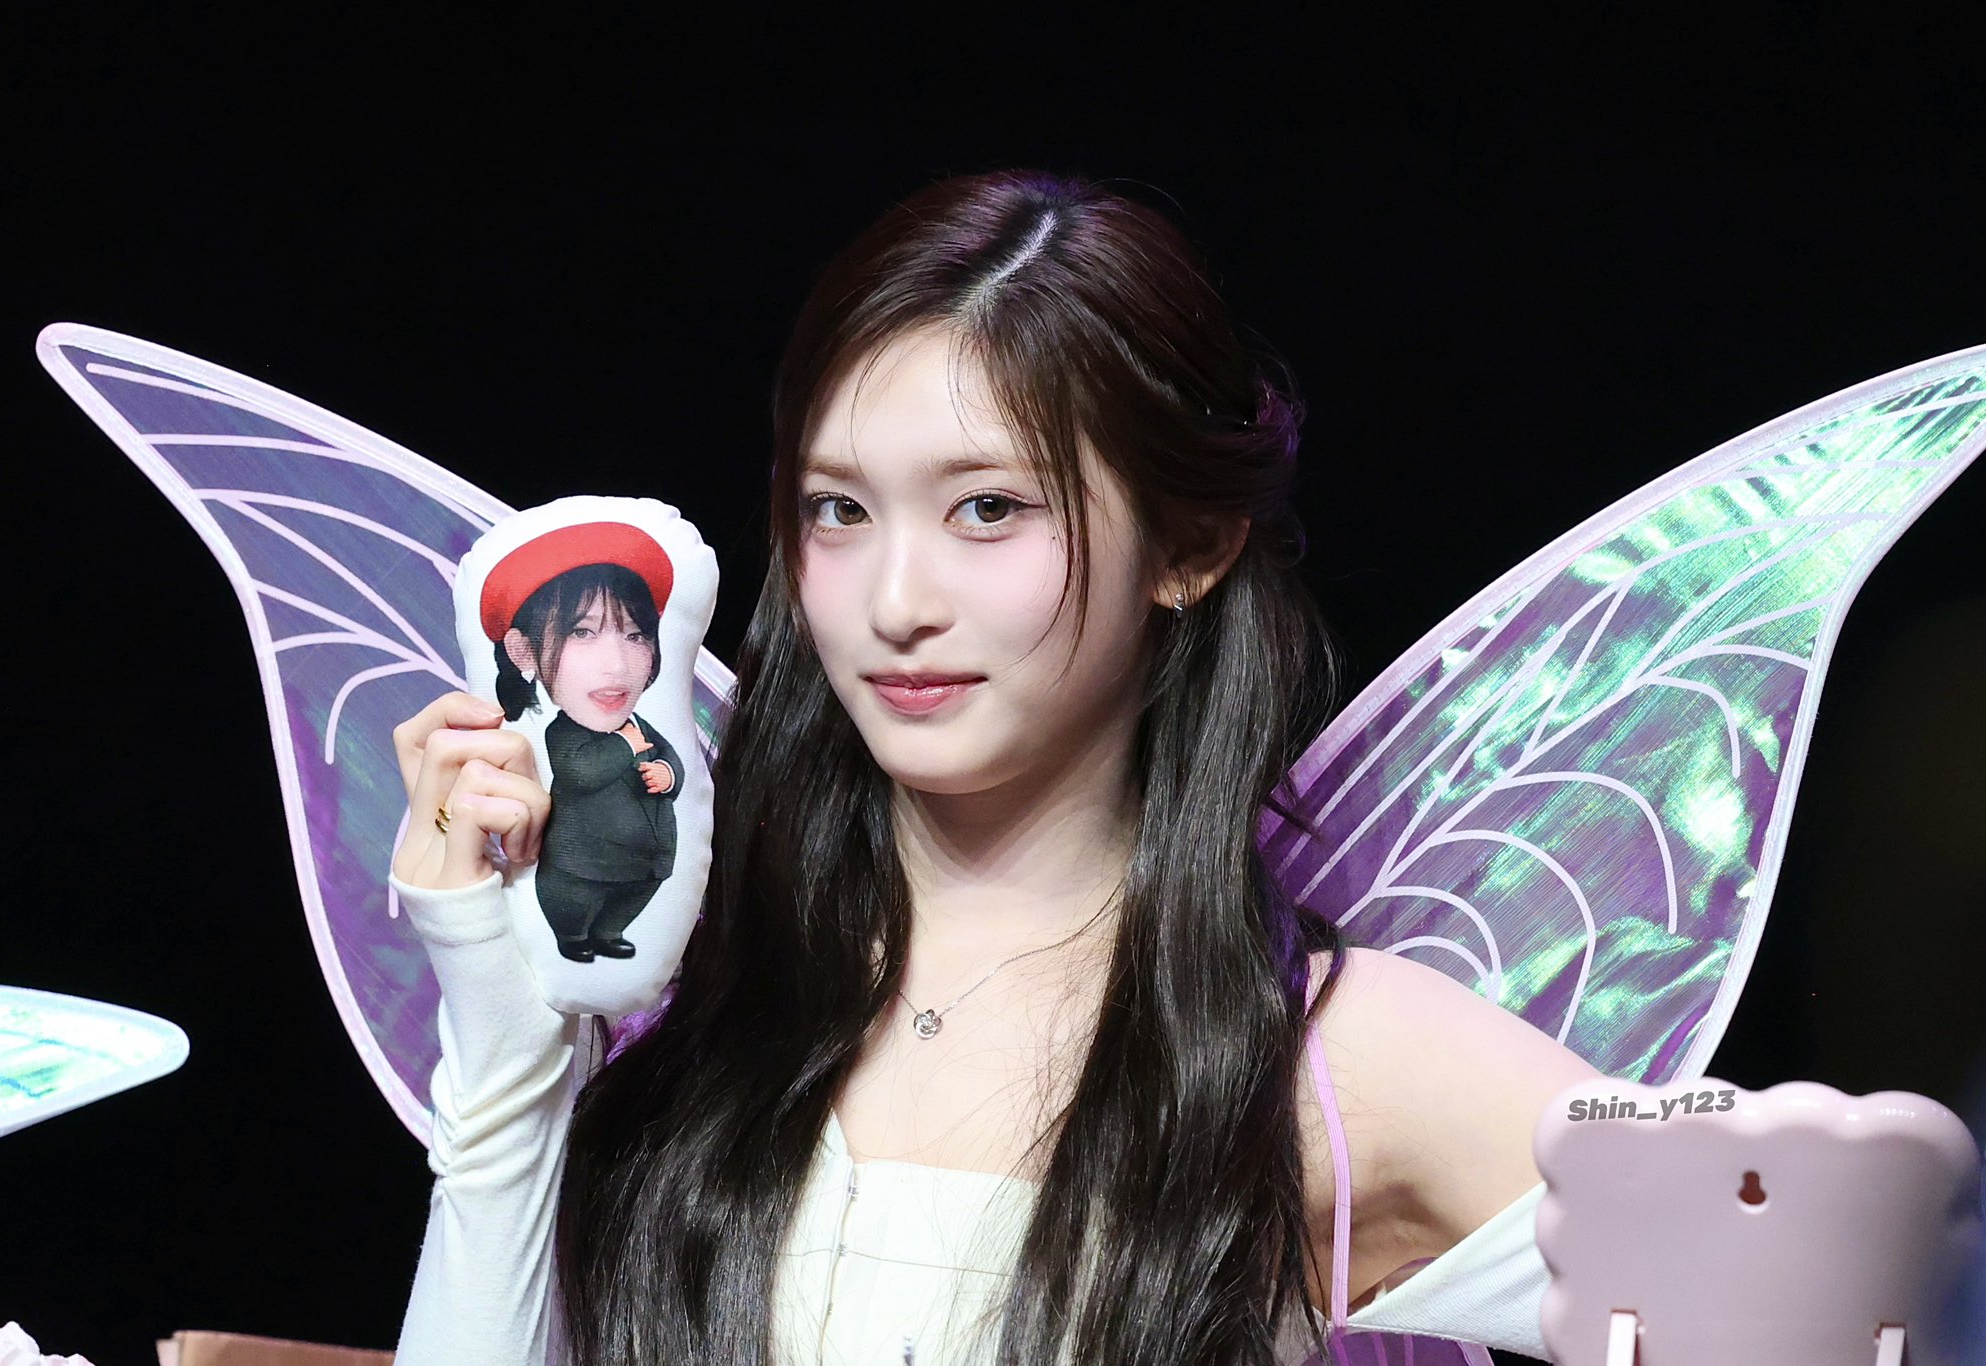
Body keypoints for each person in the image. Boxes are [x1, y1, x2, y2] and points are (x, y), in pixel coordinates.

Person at [386, 171, 1602, 1365]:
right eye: (838, 510)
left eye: (985, 508)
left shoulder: (1332, 1057)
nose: (894, 603)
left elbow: (1720, 1292)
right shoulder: (691, 1000)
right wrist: (507, 1056)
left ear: (1185, 545)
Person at [480, 528, 685, 962]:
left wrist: (668, 775)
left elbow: (669, 756)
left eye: (635, 636)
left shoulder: (640, 724)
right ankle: (573, 937)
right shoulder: (564, 733)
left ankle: (610, 932)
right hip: (580, 867)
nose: (617, 665)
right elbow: (581, 772)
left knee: (627, 903)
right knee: (573, 904)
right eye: (582, 632)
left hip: (648, 862)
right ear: (525, 652)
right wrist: (625, 746)